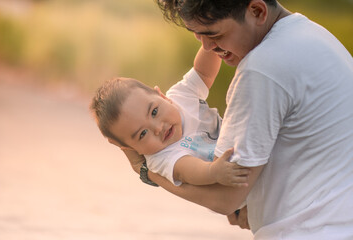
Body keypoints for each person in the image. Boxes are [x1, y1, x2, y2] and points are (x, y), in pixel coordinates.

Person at [124, 0, 353, 239]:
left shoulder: (261, 69)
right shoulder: (313, 35)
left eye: (214, 34)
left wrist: (147, 170)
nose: (208, 46)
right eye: (197, 35)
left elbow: (226, 197)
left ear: (257, 11)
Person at [90, 46, 251, 189]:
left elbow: (203, 72)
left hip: (244, 145)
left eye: (154, 112)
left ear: (162, 96)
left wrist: (213, 44)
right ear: (131, 149)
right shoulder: (160, 158)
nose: (158, 128)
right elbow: (187, 169)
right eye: (143, 134)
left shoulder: (180, 97)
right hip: (233, 180)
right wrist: (214, 171)